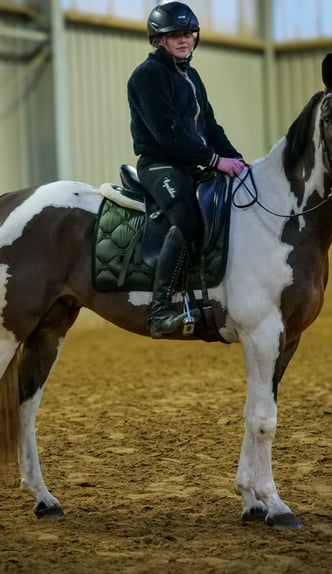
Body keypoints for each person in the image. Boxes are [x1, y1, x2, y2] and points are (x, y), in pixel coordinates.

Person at [127, 1, 245, 339]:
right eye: (175, 35)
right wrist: (214, 161)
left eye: (188, 34)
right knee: (188, 217)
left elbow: (209, 126)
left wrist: (236, 160)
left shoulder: (191, 75)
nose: (184, 41)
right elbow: (169, 132)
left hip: (191, 163)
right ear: (158, 40)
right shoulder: (146, 77)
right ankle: (160, 309)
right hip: (159, 164)